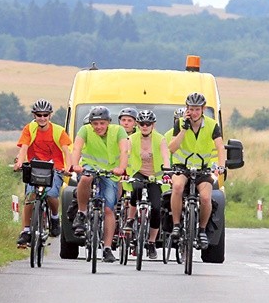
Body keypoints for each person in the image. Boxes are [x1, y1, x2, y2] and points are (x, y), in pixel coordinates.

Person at [70, 106, 129, 263]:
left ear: (108, 122)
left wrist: (121, 168)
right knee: (85, 179)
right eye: (95, 124)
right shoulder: (85, 130)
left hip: (111, 171)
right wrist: (75, 164)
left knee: (109, 209)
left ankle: (107, 248)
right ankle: (82, 212)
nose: (98, 127)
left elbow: (124, 151)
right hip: (90, 166)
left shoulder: (119, 131)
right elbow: (76, 148)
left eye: (102, 123)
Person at [168, 92, 226, 250]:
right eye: (191, 109)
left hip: (203, 168)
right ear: (186, 109)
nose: (194, 113)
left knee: (206, 197)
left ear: (203, 109)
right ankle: (177, 225)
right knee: (178, 187)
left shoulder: (212, 125)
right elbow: (172, 148)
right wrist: (183, 130)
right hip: (182, 167)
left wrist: (221, 166)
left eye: (197, 109)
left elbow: (220, 146)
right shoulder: (180, 123)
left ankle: (201, 230)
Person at [14, 99, 73, 247]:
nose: (42, 118)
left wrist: (69, 167)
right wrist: (20, 162)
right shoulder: (29, 129)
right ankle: (26, 231)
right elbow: (24, 147)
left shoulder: (58, 131)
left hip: (55, 168)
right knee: (30, 196)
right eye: (39, 115)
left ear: (50, 116)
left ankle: (54, 217)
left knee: (52, 194)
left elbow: (67, 151)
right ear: (34, 115)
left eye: (45, 115)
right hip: (35, 167)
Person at [123, 110, 171, 259]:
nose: (144, 126)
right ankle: (130, 220)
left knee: (156, 207)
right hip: (138, 172)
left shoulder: (160, 139)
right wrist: (124, 170)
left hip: (154, 176)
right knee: (135, 189)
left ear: (153, 125)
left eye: (148, 124)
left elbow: (165, 156)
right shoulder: (132, 139)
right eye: (142, 123)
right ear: (137, 124)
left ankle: (151, 243)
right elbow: (125, 155)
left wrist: (167, 173)